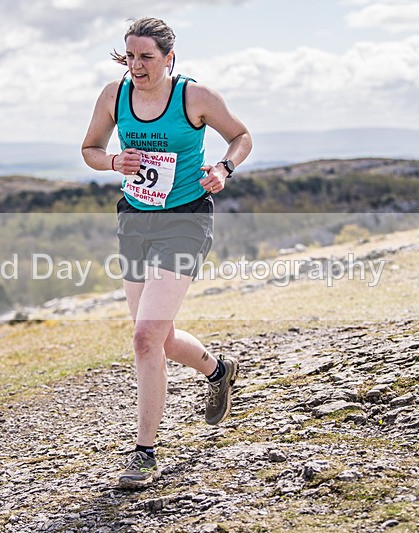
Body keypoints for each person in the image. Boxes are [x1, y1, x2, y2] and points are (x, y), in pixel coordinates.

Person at [81, 16, 252, 489]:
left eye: (146, 57)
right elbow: (89, 149)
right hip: (135, 221)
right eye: (130, 56)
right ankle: (220, 371)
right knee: (159, 336)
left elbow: (242, 136)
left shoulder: (194, 97)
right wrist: (114, 160)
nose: (136, 66)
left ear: (169, 58)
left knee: (144, 339)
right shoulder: (114, 96)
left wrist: (224, 167)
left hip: (185, 220)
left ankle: (144, 453)